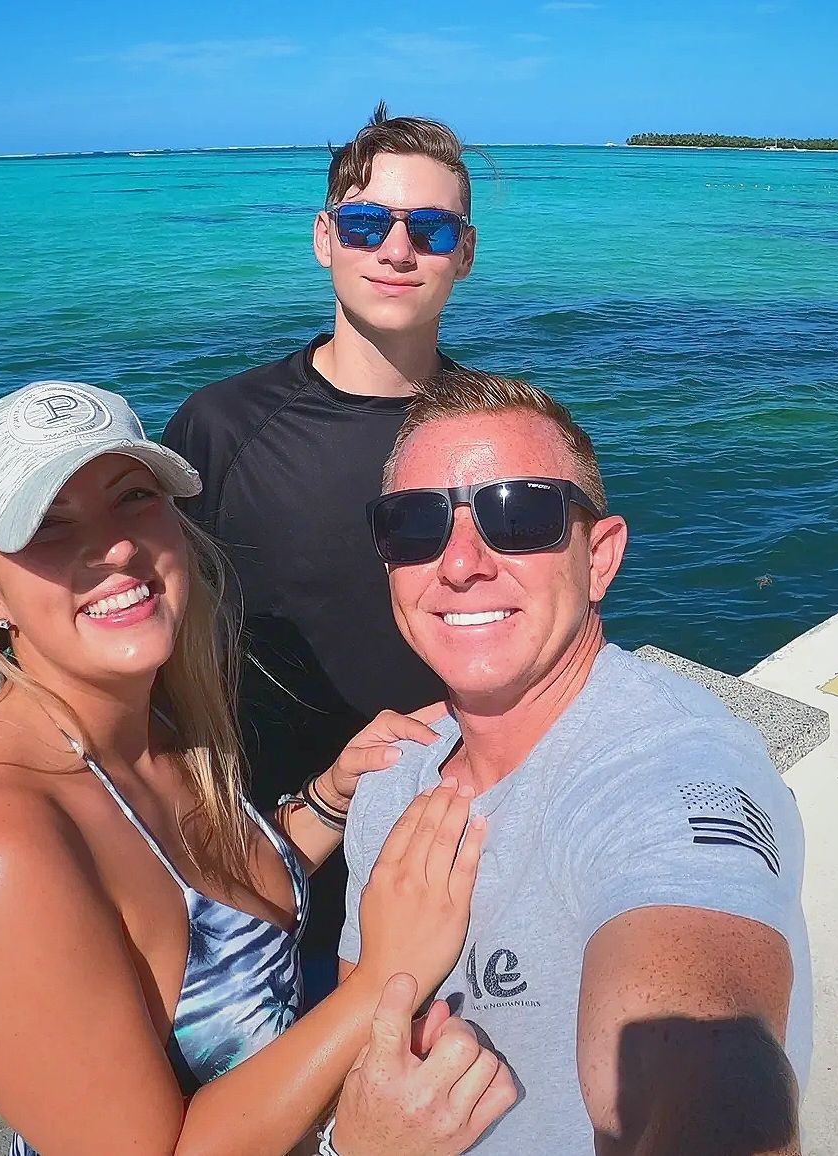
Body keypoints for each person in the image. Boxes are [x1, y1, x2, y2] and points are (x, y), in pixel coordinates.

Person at [0, 380, 514, 1156]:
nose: (116, 547)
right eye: (49, 527)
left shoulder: (147, 718)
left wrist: (330, 797)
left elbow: (215, 921)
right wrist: (383, 984)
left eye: (133, 497)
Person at [336, 371, 812, 1154]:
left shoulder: (668, 771)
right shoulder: (393, 779)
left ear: (600, 557)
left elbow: (711, 1068)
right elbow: (365, 1035)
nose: (460, 563)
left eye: (519, 515)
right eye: (415, 525)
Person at [161, 103, 480, 968]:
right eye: (369, 221)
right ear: (324, 237)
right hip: (276, 830)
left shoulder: (492, 431)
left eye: (431, 228)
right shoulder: (221, 428)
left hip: (453, 826)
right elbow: (160, 637)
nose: (398, 248)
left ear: (466, 252)